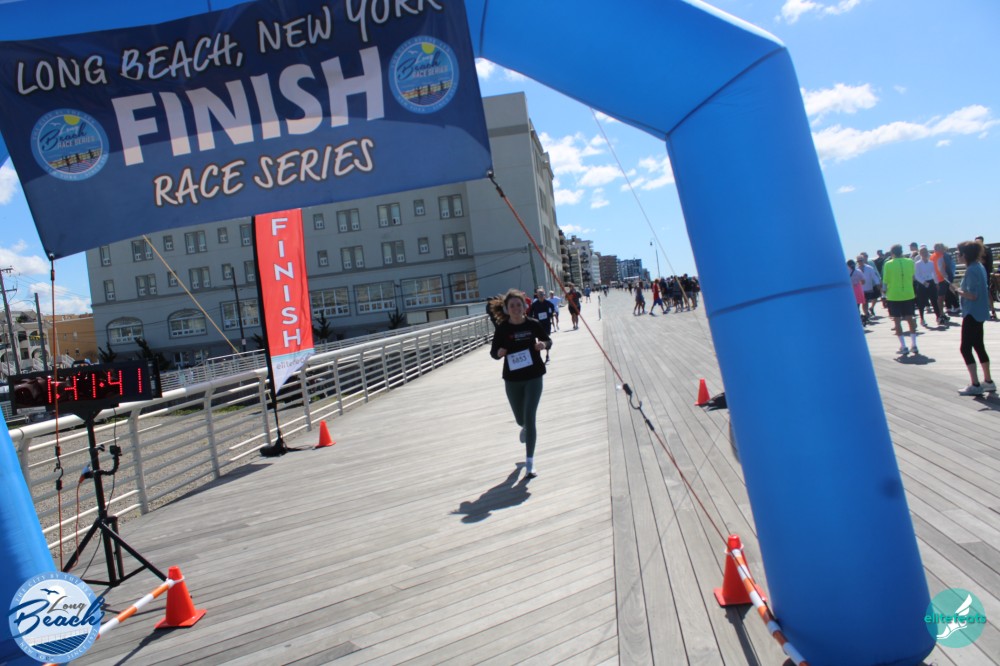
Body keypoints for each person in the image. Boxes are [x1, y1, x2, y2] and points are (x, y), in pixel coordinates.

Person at [489, 289, 552, 477]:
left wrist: (543, 344)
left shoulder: (533, 324)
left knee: (530, 417)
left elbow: (548, 340)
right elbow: (493, 352)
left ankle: (530, 462)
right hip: (513, 379)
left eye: (519, 305)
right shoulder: (503, 329)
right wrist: (499, 353)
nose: (516, 308)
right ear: (507, 309)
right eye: (512, 306)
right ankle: (523, 427)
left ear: (525, 307)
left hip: (534, 376)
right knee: (520, 419)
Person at [951, 241, 995, 395]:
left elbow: (972, 295)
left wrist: (957, 290)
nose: (957, 256)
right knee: (979, 346)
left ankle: (975, 384)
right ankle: (988, 381)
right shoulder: (980, 266)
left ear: (965, 254)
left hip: (972, 313)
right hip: (980, 312)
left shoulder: (971, 270)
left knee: (965, 348)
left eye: (959, 253)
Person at [882, 244, 919, 356]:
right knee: (910, 319)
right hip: (908, 293)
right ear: (901, 251)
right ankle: (914, 344)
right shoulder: (910, 262)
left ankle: (903, 346)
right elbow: (913, 276)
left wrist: (883, 294)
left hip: (894, 295)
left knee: (897, 321)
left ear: (892, 253)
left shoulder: (888, 264)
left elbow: (885, 281)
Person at [913, 245, 942, 326]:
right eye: (922, 252)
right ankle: (922, 318)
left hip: (931, 282)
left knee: (934, 300)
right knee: (921, 302)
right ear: (920, 254)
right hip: (922, 284)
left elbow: (934, 273)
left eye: (925, 252)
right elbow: (917, 275)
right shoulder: (917, 264)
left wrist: (936, 283)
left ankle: (938, 317)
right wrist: (923, 282)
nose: (924, 254)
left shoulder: (931, 263)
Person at [528, 287, 556, 362]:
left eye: (542, 294)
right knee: (539, 340)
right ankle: (539, 356)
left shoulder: (547, 303)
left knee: (546, 339)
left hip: (546, 323)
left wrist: (551, 314)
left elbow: (552, 307)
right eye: (539, 294)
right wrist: (531, 320)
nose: (541, 295)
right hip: (538, 325)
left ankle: (547, 355)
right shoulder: (534, 304)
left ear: (544, 294)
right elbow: (530, 313)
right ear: (537, 295)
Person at [975, 236, 998, 320]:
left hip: (985, 273)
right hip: (977, 273)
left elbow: (987, 262)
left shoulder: (987, 250)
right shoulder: (975, 250)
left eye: (979, 241)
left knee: (987, 291)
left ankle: (993, 311)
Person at [848, 259, 869, 325]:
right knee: (857, 306)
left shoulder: (845, 272)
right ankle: (861, 319)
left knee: (852, 307)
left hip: (850, 291)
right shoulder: (858, 271)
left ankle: (858, 320)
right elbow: (863, 281)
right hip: (858, 290)